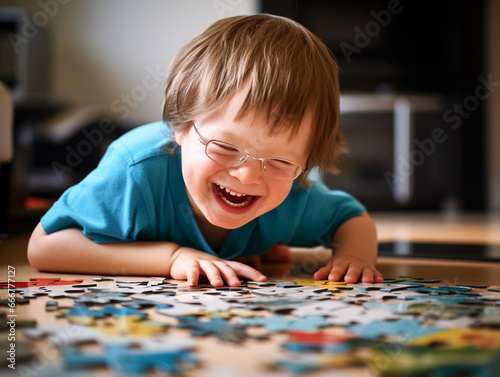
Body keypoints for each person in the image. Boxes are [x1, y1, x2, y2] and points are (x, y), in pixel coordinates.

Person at [27, 14, 384, 287]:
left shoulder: (292, 197)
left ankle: (257, 244)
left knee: (274, 248)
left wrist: (354, 256)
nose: (247, 175)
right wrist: (171, 258)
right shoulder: (135, 169)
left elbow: (351, 219)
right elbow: (44, 247)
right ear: (180, 127)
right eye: (225, 147)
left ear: (304, 167)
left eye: (279, 162)